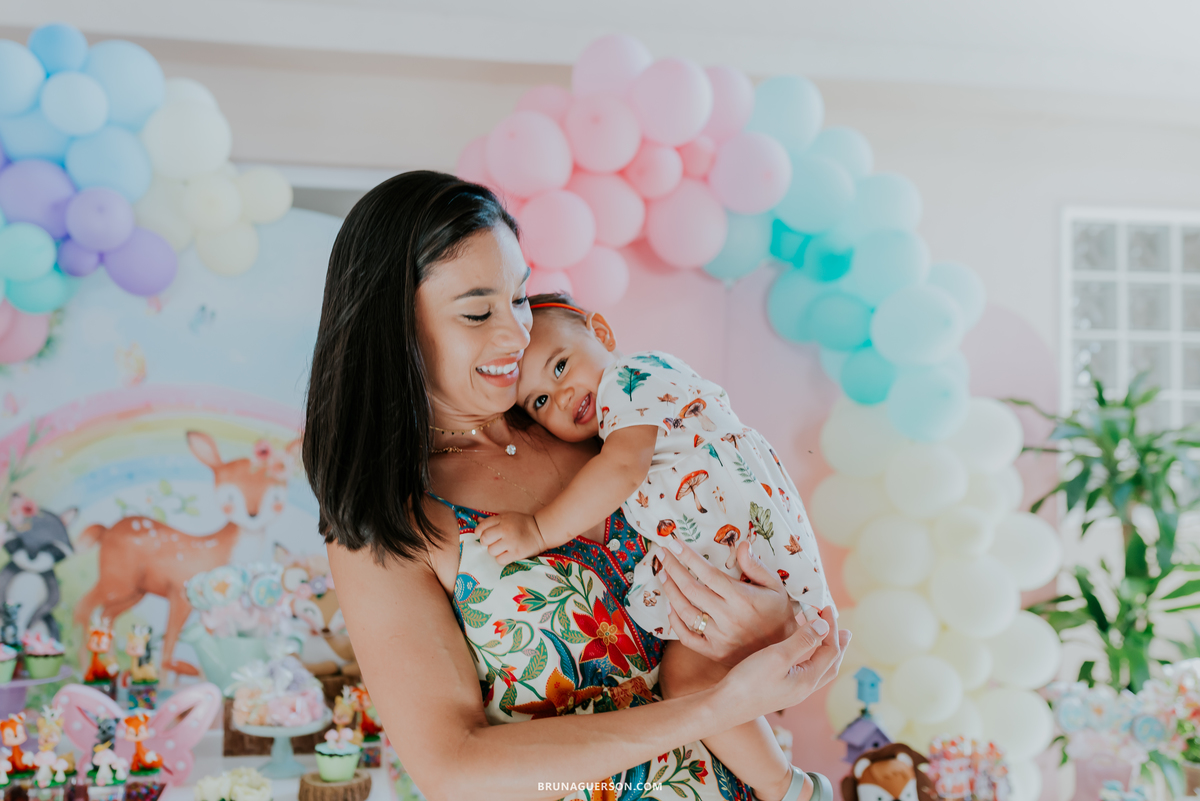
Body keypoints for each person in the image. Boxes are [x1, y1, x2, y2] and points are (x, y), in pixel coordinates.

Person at [302, 170, 850, 801]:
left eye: (519, 298)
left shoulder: (584, 418)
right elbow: (456, 770)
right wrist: (711, 709)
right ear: (392, 328)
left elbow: (729, 536)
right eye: (478, 312)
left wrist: (770, 625)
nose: (516, 333)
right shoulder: (389, 524)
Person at [475, 297, 835, 797]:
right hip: (723, 544)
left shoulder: (632, 380)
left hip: (737, 533)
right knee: (689, 678)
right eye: (538, 402)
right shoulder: (612, 423)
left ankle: (785, 783)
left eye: (560, 366)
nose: (558, 397)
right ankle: (788, 786)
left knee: (693, 675)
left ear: (601, 332)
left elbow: (623, 469)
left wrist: (537, 531)